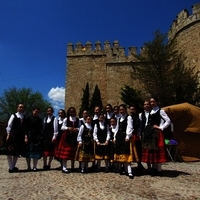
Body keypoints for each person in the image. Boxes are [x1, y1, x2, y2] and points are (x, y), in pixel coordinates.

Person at [142, 97, 171, 176]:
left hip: (157, 133)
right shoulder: (151, 111)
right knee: (152, 151)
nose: (152, 103)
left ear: (157, 102)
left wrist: (161, 127)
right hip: (151, 133)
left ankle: (159, 170)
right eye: (151, 102)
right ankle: (154, 168)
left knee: (158, 150)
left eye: (153, 102)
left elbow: (168, 120)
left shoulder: (161, 111)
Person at [114, 104, 135, 179]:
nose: (121, 111)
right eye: (120, 110)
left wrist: (127, 136)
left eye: (122, 109)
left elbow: (130, 127)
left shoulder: (128, 117)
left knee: (126, 153)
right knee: (121, 154)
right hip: (119, 137)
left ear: (125, 110)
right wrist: (114, 137)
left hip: (125, 137)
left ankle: (129, 171)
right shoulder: (119, 118)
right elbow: (117, 128)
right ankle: (124, 170)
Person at [57, 107, 80, 173]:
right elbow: (62, 127)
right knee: (65, 152)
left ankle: (72, 166)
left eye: (73, 111)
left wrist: (77, 129)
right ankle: (64, 167)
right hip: (67, 137)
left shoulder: (78, 119)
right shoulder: (66, 119)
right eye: (71, 112)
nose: (72, 113)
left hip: (74, 137)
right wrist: (68, 128)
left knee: (73, 152)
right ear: (69, 112)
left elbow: (80, 127)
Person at [5, 103, 26, 172]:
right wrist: (8, 134)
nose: (21, 108)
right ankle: (11, 167)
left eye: (22, 107)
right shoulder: (13, 115)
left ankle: (13, 167)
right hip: (12, 135)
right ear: (17, 108)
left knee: (16, 152)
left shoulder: (24, 117)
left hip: (20, 136)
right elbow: (9, 125)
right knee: (9, 152)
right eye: (20, 107)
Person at [25, 107, 43, 171]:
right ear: (33, 111)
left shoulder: (40, 120)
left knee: (36, 152)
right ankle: (29, 166)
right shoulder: (28, 118)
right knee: (28, 152)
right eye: (35, 111)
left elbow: (41, 129)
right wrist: (26, 137)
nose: (36, 113)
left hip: (37, 137)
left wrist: (41, 136)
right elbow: (26, 129)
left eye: (38, 112)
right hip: (30, 135)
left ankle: (35, 166)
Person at [129, 105, 143, 172]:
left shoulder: (136, 117)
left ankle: (139, 164)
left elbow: (137, 126)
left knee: (136, 150)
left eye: (133, 109)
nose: (131, 111)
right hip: (129, 135)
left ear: (135, 110)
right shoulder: (129, 117)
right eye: (130, 109)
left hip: (134, 135)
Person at [139, 100, 152, 171]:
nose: (146, 106)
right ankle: (148, 166)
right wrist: (140, 133)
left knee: (152, 150)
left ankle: (154, 166)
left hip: (152, 132)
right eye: (145, 104)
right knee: (146, 150)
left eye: (147, 104)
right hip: (144, 132)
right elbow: (141, 125)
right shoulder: (141, 115)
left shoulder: (153, 113)